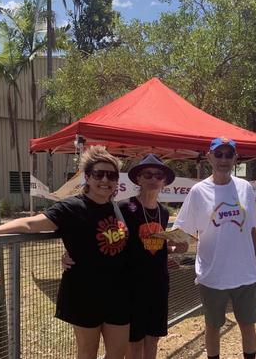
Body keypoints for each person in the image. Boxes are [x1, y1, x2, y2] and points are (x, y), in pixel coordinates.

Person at [0, 146, 132, 359]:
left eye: (111, 175)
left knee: (118, 352)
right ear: (87, 177)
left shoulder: (117, 209)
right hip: (84, 292)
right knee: (88, 352)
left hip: (118, 293)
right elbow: (31, 223)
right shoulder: (72, 207)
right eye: (98, 174)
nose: (105, 180)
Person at [62, 153, 188, 359]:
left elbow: (153, 247)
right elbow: (98, 234)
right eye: (147, 174)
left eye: (158, 175)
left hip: (158, 285)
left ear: (164, 181)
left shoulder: (163, 212)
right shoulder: (122, 208)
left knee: (153, 339)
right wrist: (71, 253)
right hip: (130, 287)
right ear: (138, 178)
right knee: (134, 343)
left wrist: (175, 249)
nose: (153, 179)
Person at [173, 137, 256, 359]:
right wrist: (173, 246)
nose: (223, 159)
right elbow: (183, 231)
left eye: (228, 154)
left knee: (248, 325)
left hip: (245, 273)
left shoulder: (245, 188)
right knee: (213, 327)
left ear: (235, 158)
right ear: (209, 156)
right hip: (212, 275)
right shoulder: (198, 192)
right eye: (218, 154)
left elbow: (251, 228)